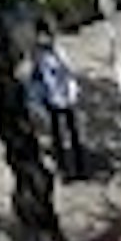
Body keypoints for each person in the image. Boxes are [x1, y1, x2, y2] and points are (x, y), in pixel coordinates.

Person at [25, 25, 91, 182]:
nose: (43, 40)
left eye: (45, 36)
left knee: (72, 132)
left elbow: (69, 71)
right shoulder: (37, 55)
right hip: (50, 97)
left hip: (65, 96)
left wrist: (72, 92)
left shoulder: (59, 52)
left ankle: (80, 167)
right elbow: (34, 77)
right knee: (57, 135)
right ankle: (64, 170)